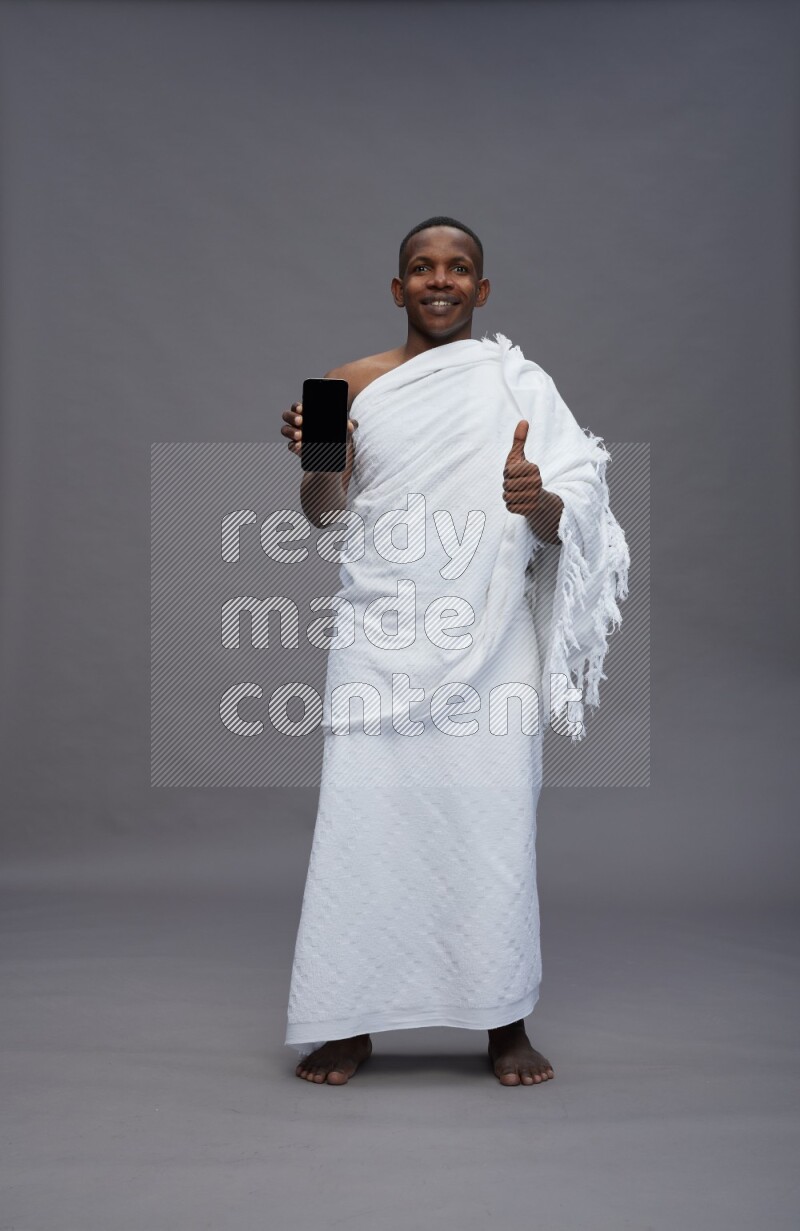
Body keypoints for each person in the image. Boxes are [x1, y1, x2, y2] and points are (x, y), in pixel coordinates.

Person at [280, 216, 629, 1086]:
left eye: (459, 267)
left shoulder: (518, 383)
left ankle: (503, 1020)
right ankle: (348, 1022)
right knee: (364, 826)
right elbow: (322, 512)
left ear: (482, 288)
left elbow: (570, 512)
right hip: (380, 635)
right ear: (398, 288)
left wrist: (535, 498)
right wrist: (334, 456)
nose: (441, 279)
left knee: (493, 819)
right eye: (422, 268)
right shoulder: (339, 386)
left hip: (490, 642)